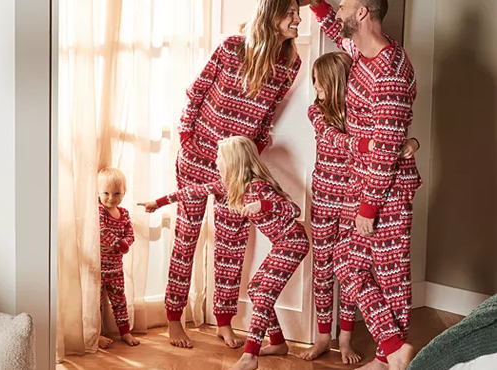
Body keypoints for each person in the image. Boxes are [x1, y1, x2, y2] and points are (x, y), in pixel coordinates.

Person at [164, 0, 303, 349]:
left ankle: (223, 321)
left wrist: (255, 148)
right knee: (186, 238)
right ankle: (173, 318)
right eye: (291, 13)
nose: (298, 19)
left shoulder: (290, 65)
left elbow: (267, 115)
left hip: (237, 171)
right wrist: (186, 139)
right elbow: (195, 94)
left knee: (232, 245)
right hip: (197, 157)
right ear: (272, 16)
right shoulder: (231, 49)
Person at [299, 1, 422, 369]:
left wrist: (368, 207)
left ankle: (390, 355)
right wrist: (317, 6)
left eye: (344, 4)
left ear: (364, 12)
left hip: (386, 192)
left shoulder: (391, 73)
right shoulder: (363, 52)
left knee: (388, 274)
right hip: (364, 185)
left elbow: (385, 149)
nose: (339, 7)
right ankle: (391, 350)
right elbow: (341, 33)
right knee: (354, 268)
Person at [139, 136, 308, 370]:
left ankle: (250, 357)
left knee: (263, 293)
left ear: (232, 162)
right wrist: (158, 202)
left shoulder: (258, 187)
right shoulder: (228, 185)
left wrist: (264, 205)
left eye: (219, 157)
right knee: (256, 289)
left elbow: (294, 209)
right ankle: (278, 342)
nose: (216, 161)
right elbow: (194, 191)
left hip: (293, 243)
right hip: (281, 244)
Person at [97, 167, 140, 348]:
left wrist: (125, 244)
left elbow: (130, 234)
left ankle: (125, 332)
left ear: (124, 193)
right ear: (98, 192)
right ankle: (96, 334)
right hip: (98, 269)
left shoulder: (124, 214)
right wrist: (118, 244)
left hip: (115, 269)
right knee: (95, 304)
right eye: (106, 193)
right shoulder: (100, 210)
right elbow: (102, 231)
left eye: (117, 193)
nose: (111, 198)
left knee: (119, 300)